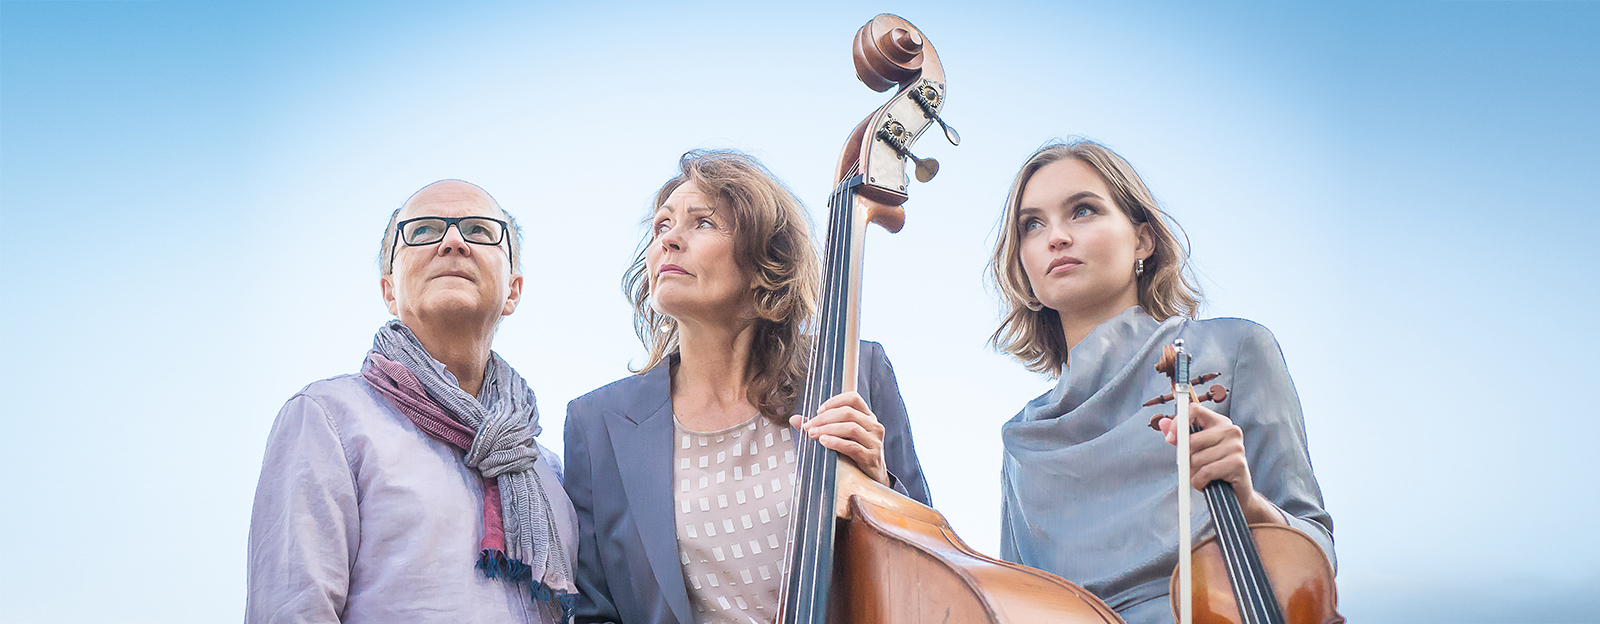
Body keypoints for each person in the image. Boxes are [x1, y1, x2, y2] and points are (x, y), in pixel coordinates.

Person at [562, 150, 932, 624]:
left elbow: (928, 572)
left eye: (702, 223)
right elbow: (596, 611)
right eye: (661, 226)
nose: (668, 240)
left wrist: (880, 486)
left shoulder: (854, 372)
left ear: (764, 262)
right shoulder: (597, 423)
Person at [989, 140, 1335, 623]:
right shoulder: (1023, 437)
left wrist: (1250, 506)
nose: (1057, 237)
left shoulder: (1236, 349)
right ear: (1023, 263)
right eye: (1033, 225)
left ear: (1143, 241)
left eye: (1083, 211)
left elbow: (1317, 552)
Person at [246, 180, 577, 623]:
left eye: (479, 230)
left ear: (513, 291)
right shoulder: (329, 419)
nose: (453, 242)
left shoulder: (548, 472)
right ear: (389, 291)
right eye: (423, 231)